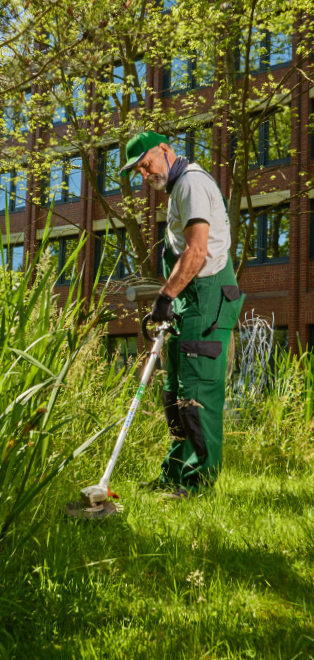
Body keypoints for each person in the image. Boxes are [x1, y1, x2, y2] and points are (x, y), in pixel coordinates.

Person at [120, 131, 245, 500]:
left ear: (165, 149)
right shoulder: (178, 189)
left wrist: (165, 295)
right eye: (139, 170)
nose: (145, 173)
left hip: (208, 299)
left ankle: (197, 484)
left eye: (147, 163)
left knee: (196, 392)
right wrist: (173, 298)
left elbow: (198, 250)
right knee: (174, 391)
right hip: (191, 299)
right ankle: (175, 473)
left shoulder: (190, 183)